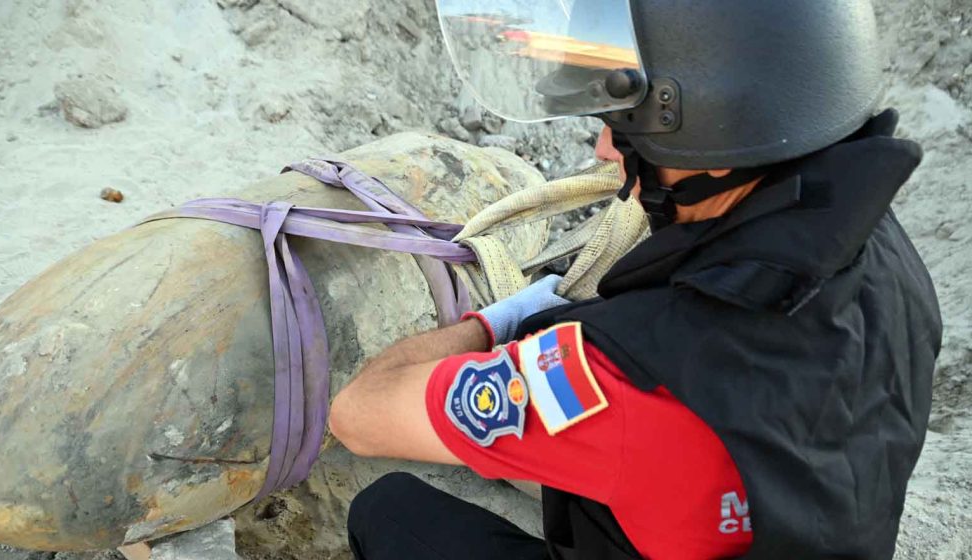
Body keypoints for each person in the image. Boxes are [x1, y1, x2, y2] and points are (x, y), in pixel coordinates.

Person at [328, 1, 943, 558]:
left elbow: (359, 415)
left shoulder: (621, 373)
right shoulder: (882, 249)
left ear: (713, 132)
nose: (603, 148)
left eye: (623, 126)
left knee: (391, 511)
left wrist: (498, 324)